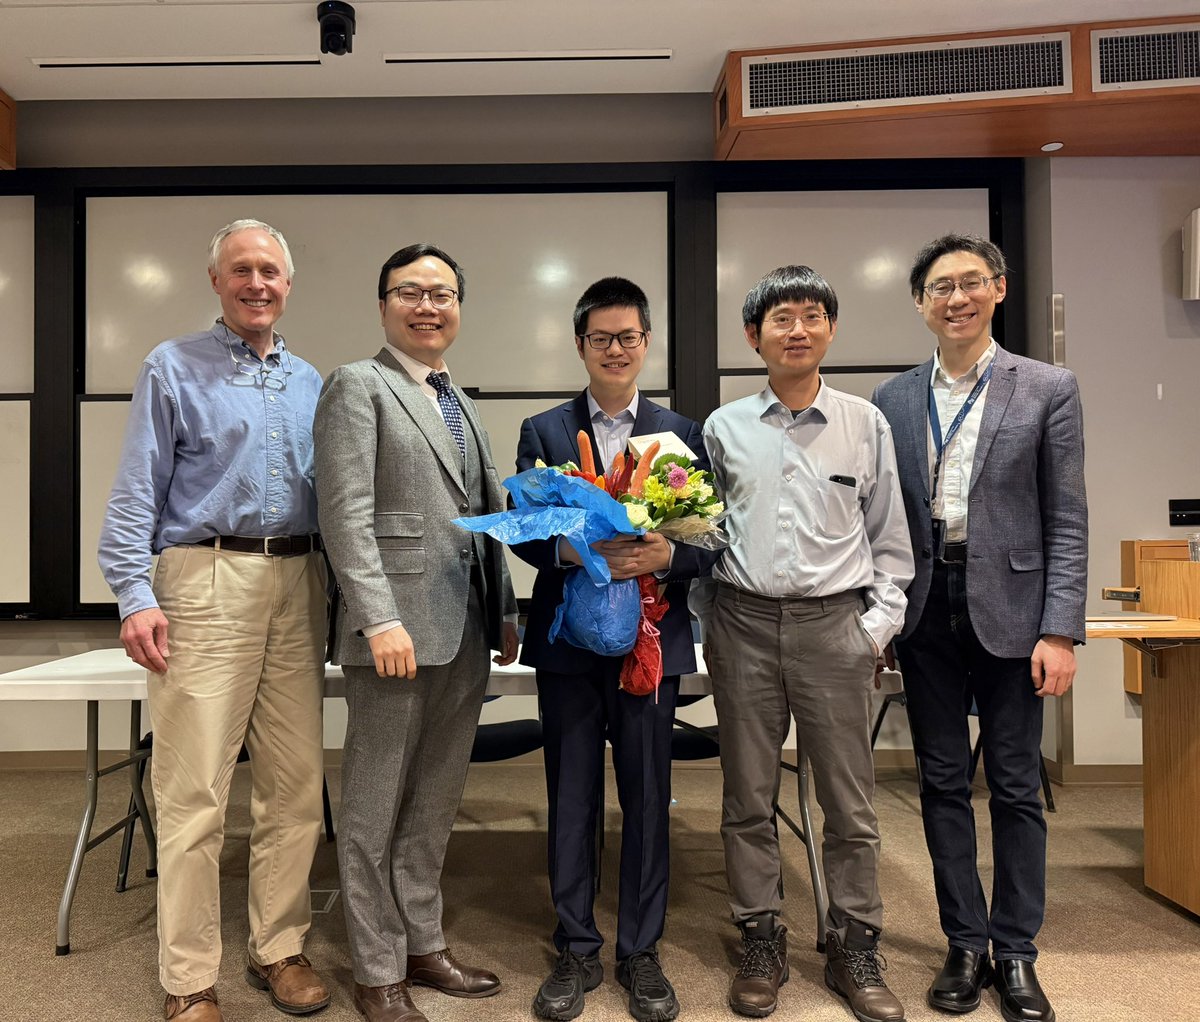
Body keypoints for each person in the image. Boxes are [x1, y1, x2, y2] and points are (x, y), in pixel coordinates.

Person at [98, 219, 330, 1022]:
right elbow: (136, 488)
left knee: (296, 787)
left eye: (270, 270)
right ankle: (189, 978)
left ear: (288, 284)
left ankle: (280, 947)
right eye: (241, 270)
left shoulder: (311, 381)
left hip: (300, 581)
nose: (257, 283)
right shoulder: (173, 366)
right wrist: (135, 593)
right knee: (195, 789)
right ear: (217, 282)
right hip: (204, 577)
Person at [872, 234, 1086, 1022]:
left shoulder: (1047, 387)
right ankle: (964, 943)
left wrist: (1060, 628)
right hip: (925, 608)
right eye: (938, 288)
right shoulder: (894, 398)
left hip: (1015, 612)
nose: (954, 298)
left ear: (998, 288)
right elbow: (883, 517)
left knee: (1018, 786)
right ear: (921, 304)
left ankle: (1016, 952)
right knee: (939, 783)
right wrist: (882, 615)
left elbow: (1067, 515)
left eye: (969, 283)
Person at [696, 265, 914, 1022]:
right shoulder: (722, 428)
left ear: (829, 328)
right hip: (744, 627)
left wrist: (872, 631)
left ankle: (854, 941)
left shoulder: (866, 422)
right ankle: (761, 937)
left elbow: (891, 539)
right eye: (780, 317)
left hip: (835, 630)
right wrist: (711, 625)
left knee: (850, 805)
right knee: (747, 799)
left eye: (812, 315)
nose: (798, 329)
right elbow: (701, 534)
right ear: (753, 336)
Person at [313, 243, 518, 1022]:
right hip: (393, 633)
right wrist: (378, 617)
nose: (428, 305)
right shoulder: (357, 386)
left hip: (462, 631)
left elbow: (478, 518)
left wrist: (501, 611)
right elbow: (346, 515)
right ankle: (374, 968)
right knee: (372, 807)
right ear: (384, 305)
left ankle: (422, 944)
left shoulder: (456, 399)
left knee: (434, 800)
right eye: (412, 292)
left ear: (459, 308)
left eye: (443, 293)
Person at [511, 276, 716, 1022]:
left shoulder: (682, 432)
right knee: (570, 797)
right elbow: (527, 532)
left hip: (652, 644)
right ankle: (576, 946)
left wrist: (665, 557)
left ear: (646, 343)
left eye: (629, 337)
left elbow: (712, 541)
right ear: (580, 346)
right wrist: (575, 552)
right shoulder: (545, 431)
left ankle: (641, 951)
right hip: (569, 641)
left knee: (646, 795)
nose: (617, 349)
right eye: (602, 338)